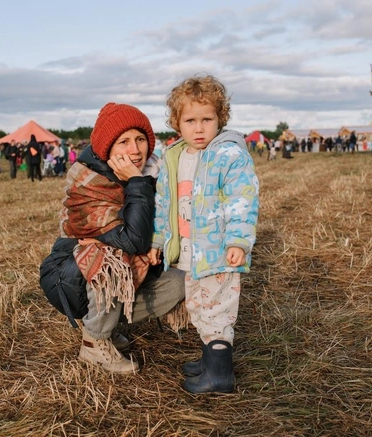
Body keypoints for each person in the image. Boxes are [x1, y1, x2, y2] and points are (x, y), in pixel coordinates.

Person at [40, 102, 186, 374]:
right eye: (124, 142)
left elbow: (157, 230)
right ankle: (94, 341)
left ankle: (109, 322)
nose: (135, 150)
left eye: (141, 139)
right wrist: (136, 184)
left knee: (179, 282)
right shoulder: (90, 184)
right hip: (69, 279)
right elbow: (134, 241)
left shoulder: (154, 175)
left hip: (117, 269)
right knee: (111, 258)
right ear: (107, 148)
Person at [151, 75, 259, 394]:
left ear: (219, 119)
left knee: (217, 309)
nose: (199, 128)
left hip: (218, 251)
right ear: (177, 123)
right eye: (190, 120)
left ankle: (220, 375)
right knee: (200, 308)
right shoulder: (174, 158)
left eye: (207, 119)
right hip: (188, 252)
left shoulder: (228, 154)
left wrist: (238, 241)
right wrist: (158, 241)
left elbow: (243, 200)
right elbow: (163, 205)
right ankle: (210, 360)